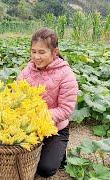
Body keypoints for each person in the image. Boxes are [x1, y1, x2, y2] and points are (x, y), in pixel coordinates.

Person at [17, 27, 78, 178]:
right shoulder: (27, 70)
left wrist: (38, 115)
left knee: (45, 169)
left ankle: (60, 152)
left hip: (55, 128)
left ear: (54, 52)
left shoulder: (66, 75)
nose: (36, 57)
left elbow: (65, 109)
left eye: (42, 52)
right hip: (30, 126)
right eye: (33, 51)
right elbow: (15, 94)